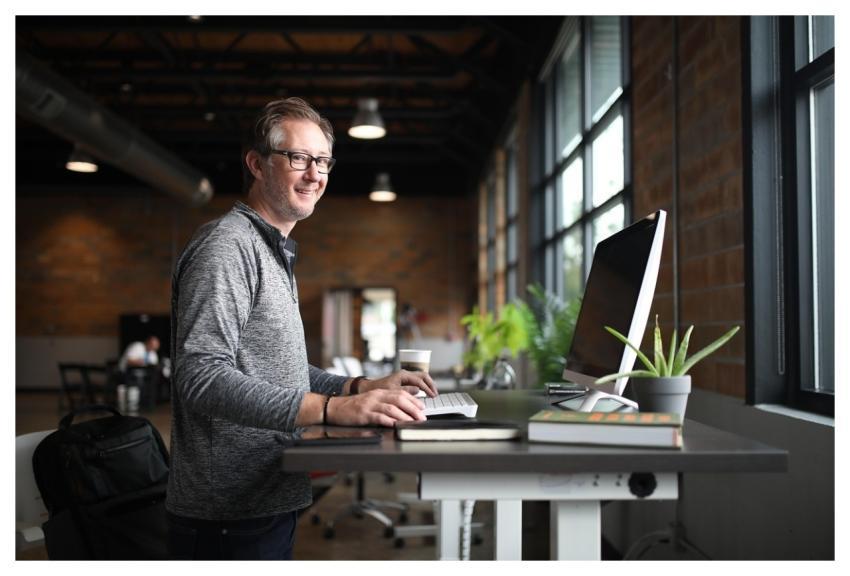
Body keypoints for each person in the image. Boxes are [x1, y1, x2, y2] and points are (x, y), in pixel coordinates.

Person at [166, 97, 437, 560]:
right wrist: (331, 409)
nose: (315, 174)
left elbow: (281, 371)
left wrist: (359, 387)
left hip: (265, 495)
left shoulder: (272, 250)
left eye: (323, 161)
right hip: (226, 513)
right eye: (298, 158)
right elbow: (200, 377)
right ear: (256, 163)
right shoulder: (228, 247)